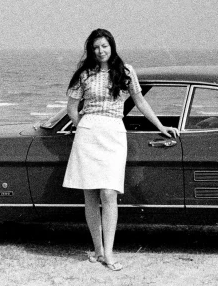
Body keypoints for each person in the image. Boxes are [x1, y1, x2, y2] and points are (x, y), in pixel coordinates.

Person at [62, 28, 178, 272]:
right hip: (89, 133)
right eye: (95, 47)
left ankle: (110, 253)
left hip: (114, 132)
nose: (100, 51)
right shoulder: (84, 74)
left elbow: (140, 101)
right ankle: (98, 250)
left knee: (109, 193)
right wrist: (81, 125)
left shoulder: (126, 71)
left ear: (111, 46)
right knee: (90, 195)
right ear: (91, 50)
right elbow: (72, 106)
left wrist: (160, 126)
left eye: (104, 45)